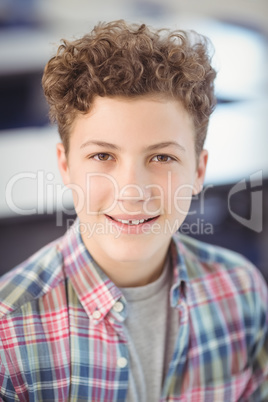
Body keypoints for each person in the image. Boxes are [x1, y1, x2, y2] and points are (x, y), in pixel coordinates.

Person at [0, 20, 267, 402]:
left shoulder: (243, 293)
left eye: (162, 156)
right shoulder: (9, 334)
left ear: (199, 171)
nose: (132, 190)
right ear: (65, 166)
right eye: (103, 155)